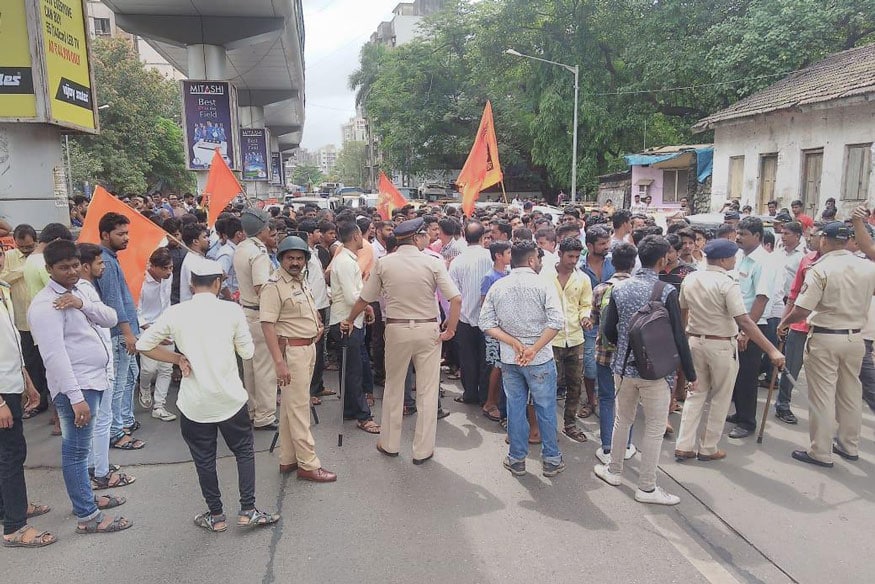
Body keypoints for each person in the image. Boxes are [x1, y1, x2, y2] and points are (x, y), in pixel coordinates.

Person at [137, 258, 279, 531]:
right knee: (244, 452)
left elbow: (144, 344)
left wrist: (177, 358)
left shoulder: (176, 313)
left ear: (191, 284)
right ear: (218, 282)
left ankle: (215, 516)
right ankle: (248, 509)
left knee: (204, 458)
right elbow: (247, 352)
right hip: (230, 398)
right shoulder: (232, 311)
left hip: (194, 403)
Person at [28, 240, 132, 535]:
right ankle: (88, 517)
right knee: (75, 452)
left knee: (81, 449)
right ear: (49, 269)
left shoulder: (82, 289)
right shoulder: (45, 306)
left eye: (75, 265)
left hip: (96, 380)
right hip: (76, 388)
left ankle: (84, 501)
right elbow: (54, 357)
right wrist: (75, 398)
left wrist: (82, 303)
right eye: (63, 268)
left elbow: (110, 317)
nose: (71, 272)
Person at [343, 218, 462, 463]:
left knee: (394, 387)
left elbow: (365, 298)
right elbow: (455, 299)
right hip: (428, 328)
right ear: (417, 236)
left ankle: (389, 443)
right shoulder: (433, 262)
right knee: (427, 392)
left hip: (397, 329)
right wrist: (450, 329)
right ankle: (422, 450)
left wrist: (349, 319)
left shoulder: (385, 263)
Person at [594, 235, 696, 506]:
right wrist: (690, 375)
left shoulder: (619, 288)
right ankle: (647, 487)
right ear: (663, 260)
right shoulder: (666, 291)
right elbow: (678, 335)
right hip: (657, 372)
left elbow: (608, 330)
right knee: (653, 428)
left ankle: (614, 471)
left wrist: (626, 347)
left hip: (623, 369)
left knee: (622, 420)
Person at [675, 239, 784, 462]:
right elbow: (744, 320)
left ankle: (684, 444)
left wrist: (684, 339)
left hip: (695, 341)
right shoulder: (727, 283)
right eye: (733, 257)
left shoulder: (691, 278)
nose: (735, 260)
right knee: (720, 397)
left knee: (695, 394)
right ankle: (708, 447)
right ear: (724, 260)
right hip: (721, 344)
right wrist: (772, 350)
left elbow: (682, 313)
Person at [778, 222, 875, 468]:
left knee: (822, 396)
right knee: (851, 393)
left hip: (826, 336)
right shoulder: (867, 267)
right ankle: (848, 445)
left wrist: (784, 323)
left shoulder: (821, 268)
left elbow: (802, 310)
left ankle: (820, 451)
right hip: (856, 336)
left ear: (824, 240)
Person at [480, 240, 564, 477]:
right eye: (537, 258)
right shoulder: (545, 285)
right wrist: (534, 348)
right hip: (539, 359)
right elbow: (557, 322)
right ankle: (551, 459)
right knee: (545, 408)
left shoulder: (499, 286)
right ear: (531, 260)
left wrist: (513, 342)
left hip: (510, 359)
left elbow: (486, 323)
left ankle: (517, 459)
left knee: (516, 408)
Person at [260, 237, 336, 482]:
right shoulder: (274, 285)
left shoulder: (299, 280)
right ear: (281, 258)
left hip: (307, 348)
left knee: (290, 409)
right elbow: (268, 325)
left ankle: (288, 458)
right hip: (291, 352)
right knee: (300, 407)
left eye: (299, 258)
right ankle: (308, 463)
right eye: (290, 258)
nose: (295, 262)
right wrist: (279, 363)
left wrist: (317, 324)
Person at [0, 270, 57, 547]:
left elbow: (10, 341)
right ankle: (14, 527)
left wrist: (27, 380)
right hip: (1, 392)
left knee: (8, 453)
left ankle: (10, 508)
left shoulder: (3, 289)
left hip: (11, 381)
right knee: (10, 455)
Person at [76, 243, 133, 492]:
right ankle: (100, 472)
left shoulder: (84, 290)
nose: (103, 267)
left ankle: (97, 467)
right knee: (101, 420)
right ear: (86, 266)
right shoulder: (83, 292)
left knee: (98, 420)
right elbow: (110, 317)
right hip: (96, 368)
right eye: (100, 263)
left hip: (97, 365)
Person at [95, 213, 144, 450]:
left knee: (129, 379)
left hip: (124, 332)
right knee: (118, 384)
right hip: (118, 334)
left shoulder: (109, 258)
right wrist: (127, 334)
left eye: (127, 233)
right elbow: (114, 303)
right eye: (120, 234)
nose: (126, 238)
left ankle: (124, 421)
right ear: (105, 235)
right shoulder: (105, 262)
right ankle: (116, 433)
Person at [726, 217, 779, 439]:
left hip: (755, 325)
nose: (738, 237)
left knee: (748, 375)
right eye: (737, 233)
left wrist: (747, 331)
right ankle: (740, 413)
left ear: (757, 237)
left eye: (744, 234)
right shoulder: (740, 258)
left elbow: (761, 298)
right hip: (737, 323)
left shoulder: (764, 262)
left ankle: (747, 422)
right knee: (736, 373)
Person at [328, 221, 380, 434]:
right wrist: (365, 305)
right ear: (356, 236)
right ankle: (362, 416)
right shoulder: (346, 262)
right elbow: (352, 297)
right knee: (354, 371)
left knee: (350, 368)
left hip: (350, 320)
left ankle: (350, 409)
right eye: (362, 236)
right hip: (346, 322)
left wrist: (365, 308)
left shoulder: (346, 259)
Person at [591, 243, 638, 465]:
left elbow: (593, 320)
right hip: (630, 356)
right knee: (628, 401)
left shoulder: (601, 289)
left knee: (607, 399)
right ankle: (626, 445)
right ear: (632, 263)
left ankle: (608, 446)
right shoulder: (640, 290)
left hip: (603, 353)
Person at [233, 209, 280, 431]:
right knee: (265, 368)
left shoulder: (241, 248)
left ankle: (253, 410)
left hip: (245, 312)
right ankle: (265, 415)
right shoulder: (259, 253)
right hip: (260, 313)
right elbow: (262, 287)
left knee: (250, 367)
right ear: (263, 229)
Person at [0, 225, 51, 420]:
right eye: (22, 247)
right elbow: (4, 277)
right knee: (31, 363)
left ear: (36, 242)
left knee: (48, 363)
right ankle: (38, 401)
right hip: (21, 322)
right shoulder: (9, 256)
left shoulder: (44, 257)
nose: (26, 250)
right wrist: (27, 266)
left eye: (30, 247)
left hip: (42, 322)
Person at [774, 225, 823, 423]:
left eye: (815, 236)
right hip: (800, 324)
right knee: (790, 368)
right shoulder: (807, 260)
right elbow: (793, 295)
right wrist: (784, 322)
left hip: (824, 328)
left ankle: (822, 413)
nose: (811, 240)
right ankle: (782, 404)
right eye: (810, 236)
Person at [548, 237, 592, 443]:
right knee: (550, 384)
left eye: (576, 256)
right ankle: (546, 425)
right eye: (570, 256)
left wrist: (585, 316)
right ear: (560, 254)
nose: (573, 260)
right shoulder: (545, 276)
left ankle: (570, 424)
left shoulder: (582, 279)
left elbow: (586, 304)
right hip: (551, 339)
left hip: (575, 337)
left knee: (575, 384)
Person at [448, 222, 493, 405]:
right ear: (483, 237)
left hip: (464, 318)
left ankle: (470, 393)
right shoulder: (491, 258)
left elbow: (452, 293)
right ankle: (485, 396)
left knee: (467, 359)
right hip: (488, 319)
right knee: (486, 359)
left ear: (464, 237)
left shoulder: (458, 261)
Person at [578, 226, 615, 418]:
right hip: (589, 324)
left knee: (607, 365)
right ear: (590, 245)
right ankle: (590, 400)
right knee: (591, 366)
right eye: (602, 244)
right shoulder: (579, 267)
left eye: (607, 242)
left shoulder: (613, 264)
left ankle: (604, 400)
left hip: (611, 324)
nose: (606, 246)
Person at [138, 247, 176, 422]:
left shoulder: (167, 278)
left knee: (166, 368)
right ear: (153, 267)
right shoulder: (140, 281)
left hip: (166, 325)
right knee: (148, 368)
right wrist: (153, 332)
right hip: (146, 328)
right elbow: (136, 311)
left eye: (171, 268)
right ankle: (144, 386)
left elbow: (167, 303)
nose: (169, 272)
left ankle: (159, 406)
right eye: (165, 268)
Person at [480, 241, 511, 424]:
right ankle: (490, 402)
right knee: (496, 367)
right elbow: (484, 303)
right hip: (493, 330)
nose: (510, 255)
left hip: (504, 329)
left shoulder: (507, 274)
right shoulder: (490, 277)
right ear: (498, 255)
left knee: (501, 366)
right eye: (508, 252)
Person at [178, 223, 210, 303]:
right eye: (204, 237)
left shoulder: (199, 258)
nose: (208, 240)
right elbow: (195, 289)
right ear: (195, 241)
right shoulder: (192, 262)